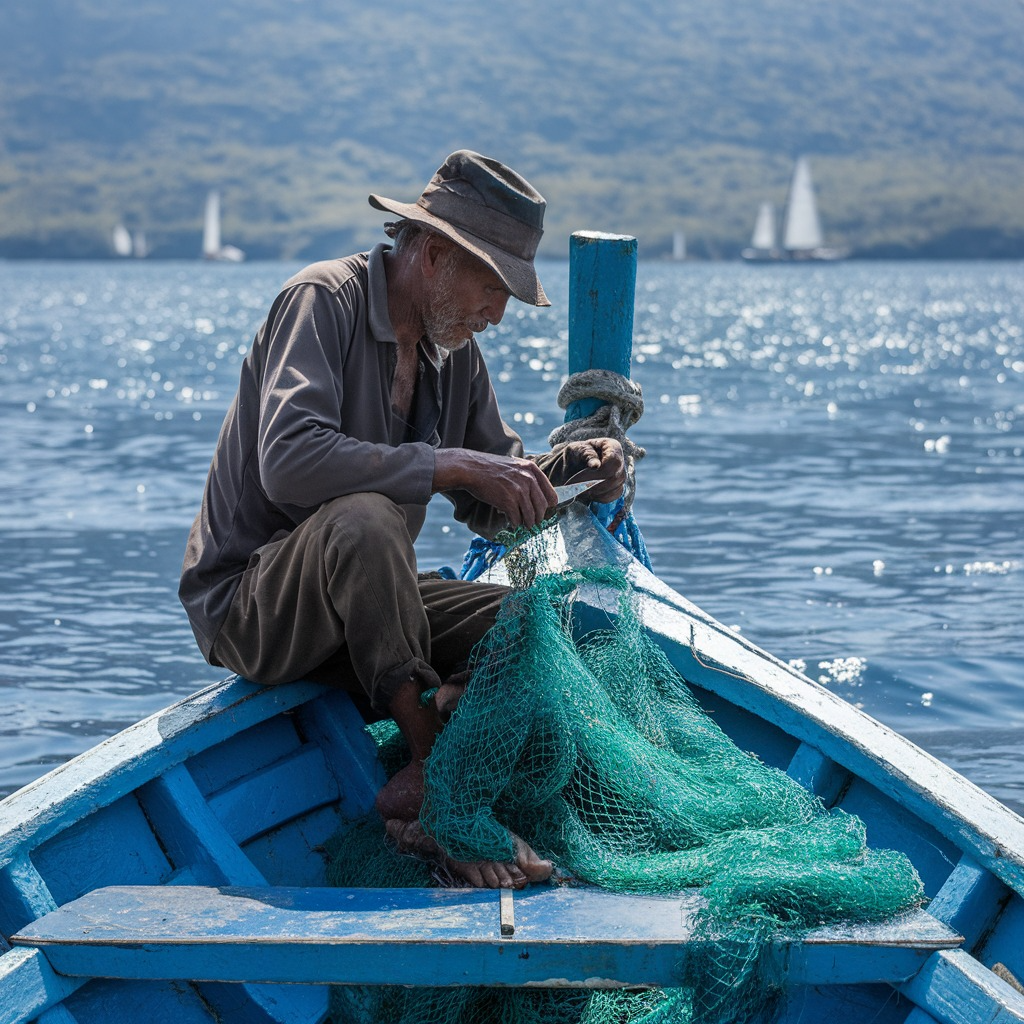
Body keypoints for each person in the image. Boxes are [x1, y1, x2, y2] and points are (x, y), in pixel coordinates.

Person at [179, 150, 625, 888]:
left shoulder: (455, 356)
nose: (498, 313)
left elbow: (494, 501)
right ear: (435, 255)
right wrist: (446, 464)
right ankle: (428, 775)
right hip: (253, 610)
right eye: (492, 288)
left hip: (366, 614)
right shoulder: (322, 299)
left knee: (532, 618)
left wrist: (579, 469)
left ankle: (436, 753)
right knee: (365, 517)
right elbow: (288, 461)